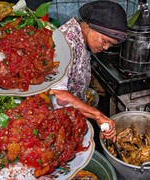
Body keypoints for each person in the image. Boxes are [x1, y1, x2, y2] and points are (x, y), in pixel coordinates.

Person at [49, 0, 128, 142]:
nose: (106, 48)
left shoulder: (81, 35)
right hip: (58, 121)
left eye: (111, 44)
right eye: (105, 41)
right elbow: (57, 93)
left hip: (74, 114)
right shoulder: (64, 43)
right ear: (88, 26)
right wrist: (97, 115)